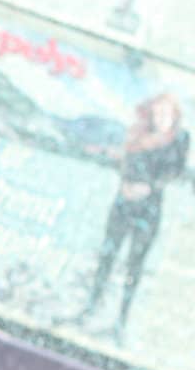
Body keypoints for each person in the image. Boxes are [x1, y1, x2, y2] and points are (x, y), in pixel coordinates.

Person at [75, 92, 188, 335]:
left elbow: (175, 171)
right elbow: (126, 161)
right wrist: (127, 182)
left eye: (167, 114)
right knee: (107, 254)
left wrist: (147, 186)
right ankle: (91, 307)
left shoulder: (179, 139)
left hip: (149, 208)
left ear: (175, 116)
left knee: (134, 264)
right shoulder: (137, 134)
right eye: (157, 113)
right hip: (123, 202)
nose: (161, 119)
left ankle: (120, 320)